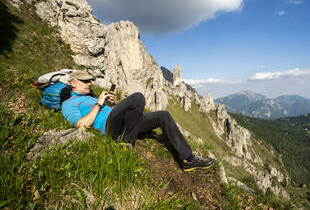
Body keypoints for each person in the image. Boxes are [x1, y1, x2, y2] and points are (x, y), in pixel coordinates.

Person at [61, 70, 214, 172]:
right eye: (84, 81)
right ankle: (125, 142)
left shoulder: (90, 97)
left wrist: (112, 104)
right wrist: (99, 103)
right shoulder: (69, 104)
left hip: (121, 122)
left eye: (89, 81)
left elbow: (105, 111)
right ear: (73, 83)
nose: (89, 83)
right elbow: (81, 125)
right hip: (110, 128)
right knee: (138, 97)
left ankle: (188, 159)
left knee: (164, 115)